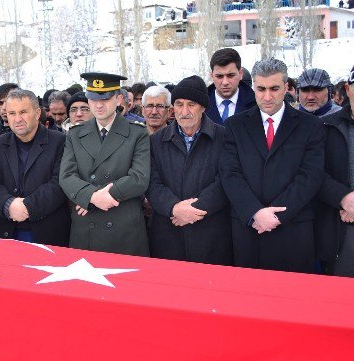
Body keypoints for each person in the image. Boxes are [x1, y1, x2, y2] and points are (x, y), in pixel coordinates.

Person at [220, 58, 325, 273]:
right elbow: (230, 174)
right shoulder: (235, 126)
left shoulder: (311, 125)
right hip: (249, 230)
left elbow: (310, 176)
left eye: (274, 88)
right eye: (261, 89)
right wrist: (255, 212)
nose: (267, 96)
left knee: (293, 300)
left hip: (293, 229)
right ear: (253, 88)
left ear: (286, 87)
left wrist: (276, 216)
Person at [59, 72, 150, 256]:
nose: (98, 105)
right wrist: (92, 196)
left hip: (123, 225)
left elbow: (139, 178)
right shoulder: (75, 134)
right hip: (87, 226)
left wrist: (98, 197)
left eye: (105, 98)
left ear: (118, 99)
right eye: (93, 99)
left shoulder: (137, 133)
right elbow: (66, 176)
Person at [146, 76, 231, 265]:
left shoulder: (224, 137)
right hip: (168, 233)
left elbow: (226, 181)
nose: (184, 111)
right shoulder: (156, 141)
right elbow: (152, 183)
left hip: (211, 234)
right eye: (179, 104)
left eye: (191, 104)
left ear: (203, 107)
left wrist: (194, 210)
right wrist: (174, 208)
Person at [0, 89, 69, 246]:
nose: (17, 119)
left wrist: (28, 206)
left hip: (47, 231)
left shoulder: (60, 142)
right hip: (6, 229)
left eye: (23, 112)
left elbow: (59, 182)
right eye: (11, 113)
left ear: (37, 113)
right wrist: (7, 204)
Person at [316, 64, 354, 276]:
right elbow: (313, 173)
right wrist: (343, 198)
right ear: (348, 90)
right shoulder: (325, 127)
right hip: (340, 228)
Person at [205, 48, 256, 126]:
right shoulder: (200, 105)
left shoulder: (257, 104)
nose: (225, 82)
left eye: (230, 76)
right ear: (212, 76)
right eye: (219, 76)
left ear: (241, 73)